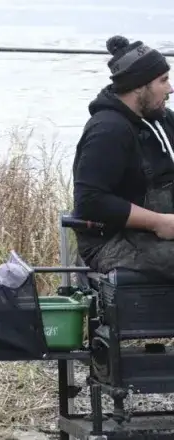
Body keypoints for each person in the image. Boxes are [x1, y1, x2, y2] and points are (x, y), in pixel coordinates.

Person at [72, 35, 174, 277]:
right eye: (163, 80)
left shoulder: (162, 119)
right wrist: (159, 222)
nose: (170, 88)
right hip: (111, 242)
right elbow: (90, 201)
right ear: (139, 86)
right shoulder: (108, 130)